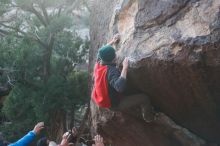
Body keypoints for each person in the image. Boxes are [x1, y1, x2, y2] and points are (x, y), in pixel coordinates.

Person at [92, 34, 155, 122]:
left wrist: (113, 41)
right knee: (144, 98)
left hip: (102, 98)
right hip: (114, 105)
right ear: (113, 58)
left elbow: (101, 52)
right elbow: (119, 87)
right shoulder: (111, 71)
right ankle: (149, 118)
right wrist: (125, 67)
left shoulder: (98, 64)